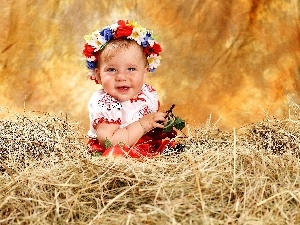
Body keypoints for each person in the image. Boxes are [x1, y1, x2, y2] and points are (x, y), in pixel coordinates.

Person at [83, 20, 183, 158]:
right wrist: (145, 124)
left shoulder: (146, 95)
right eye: (111, 69)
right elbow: (109, 142)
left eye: (131, 69)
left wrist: (159, 126)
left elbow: (149, 127)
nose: (121, 77)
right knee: (116, 157)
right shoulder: (105, 105)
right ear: (98, 75)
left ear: (145, 72)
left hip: (146, 148)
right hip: (119, 153)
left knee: (175, 149)